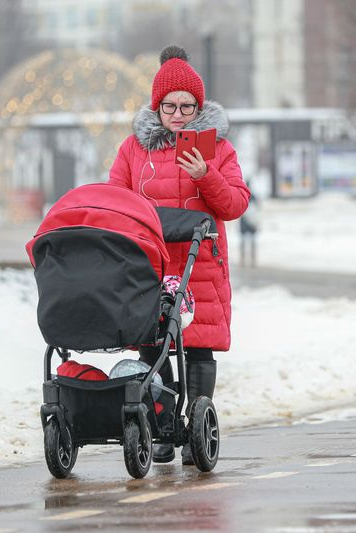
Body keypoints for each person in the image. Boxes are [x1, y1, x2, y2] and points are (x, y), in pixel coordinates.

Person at [109, 45, 250, 464]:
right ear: (156, 106)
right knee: (152, 346)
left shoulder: (218, 149)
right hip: (150, 262)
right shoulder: (134, 149)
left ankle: (195, 423)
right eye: (169, 106)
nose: (177, 114)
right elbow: (117, 197)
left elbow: (235, 205)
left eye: (187, 106)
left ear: (198, 107)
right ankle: (163, 425)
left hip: (198, 262)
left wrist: (205, 176)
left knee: (198, 345)